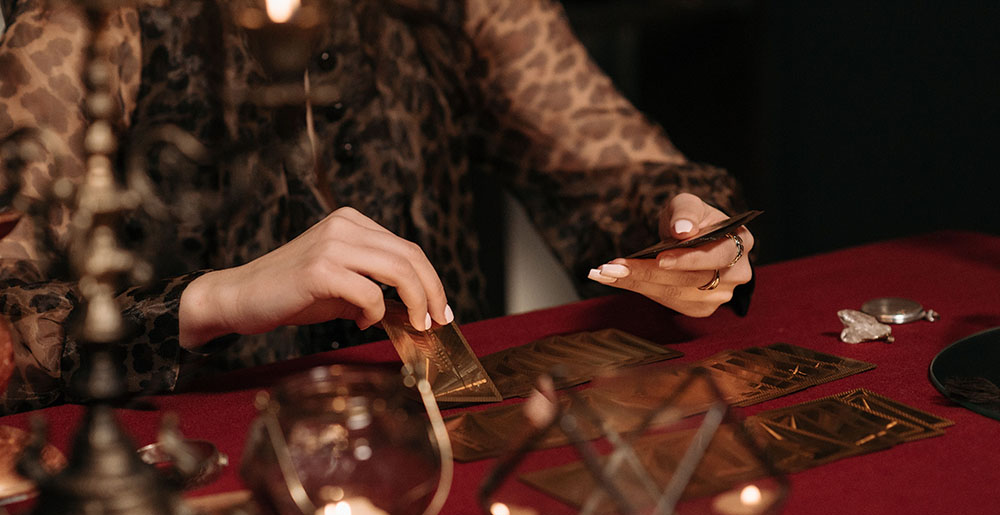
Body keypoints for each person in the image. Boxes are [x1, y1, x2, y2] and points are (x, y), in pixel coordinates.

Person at [0, 0, 754, 415]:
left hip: (444, 457)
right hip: (187, 499)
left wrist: (684, 233)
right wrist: (213, 300)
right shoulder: (88, 24)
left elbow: (616, 175)